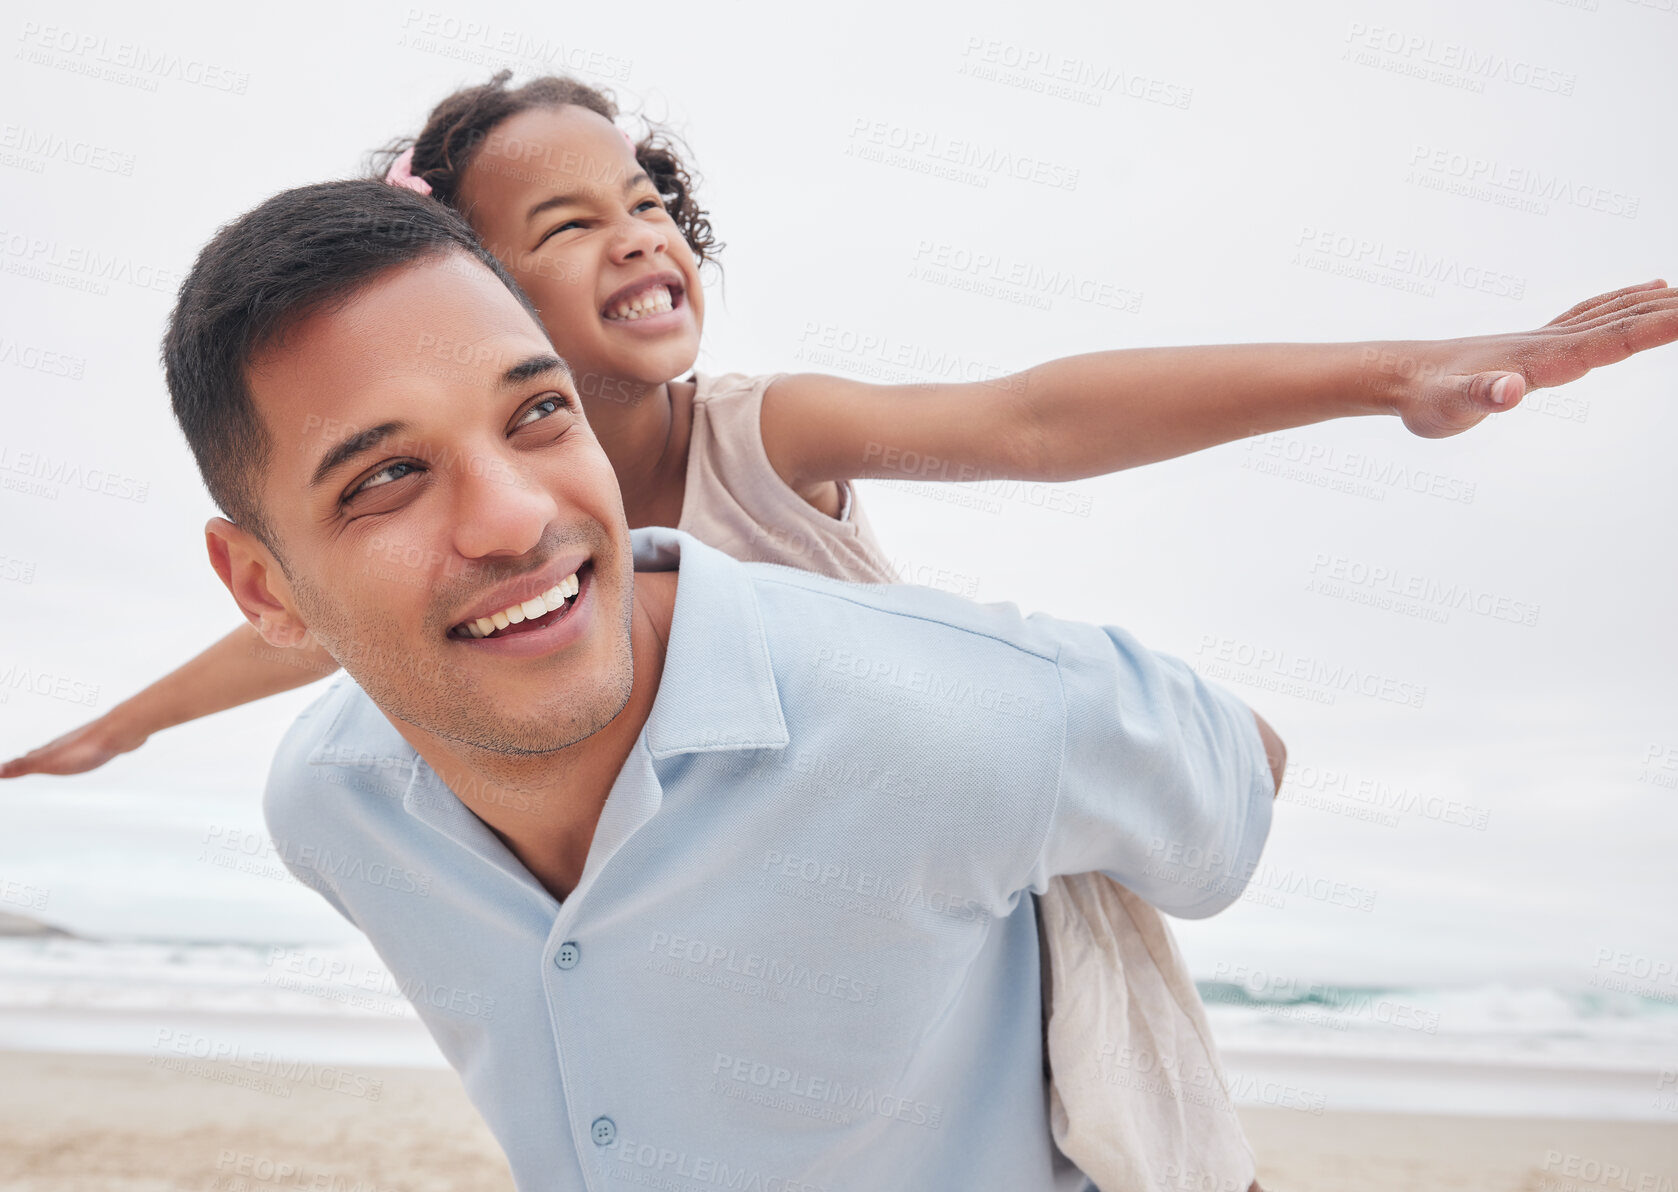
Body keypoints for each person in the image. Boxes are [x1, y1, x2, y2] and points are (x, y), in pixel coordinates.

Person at [8, 71, 1676, 1190]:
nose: (640, 231)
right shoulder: (425, 631)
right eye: (566, 222)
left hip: (967, 867)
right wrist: (123, 724)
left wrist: (1391, 376)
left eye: (644, 191)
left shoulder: (756, 437)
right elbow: (324, 636)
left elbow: (1031, 417)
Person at [165, 176, 1284, 1191]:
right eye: (390, 474)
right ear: (265, 586)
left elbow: (1243, 766)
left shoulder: (931, 710)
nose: (514, 516)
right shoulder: (332, 804)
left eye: (539, 413)